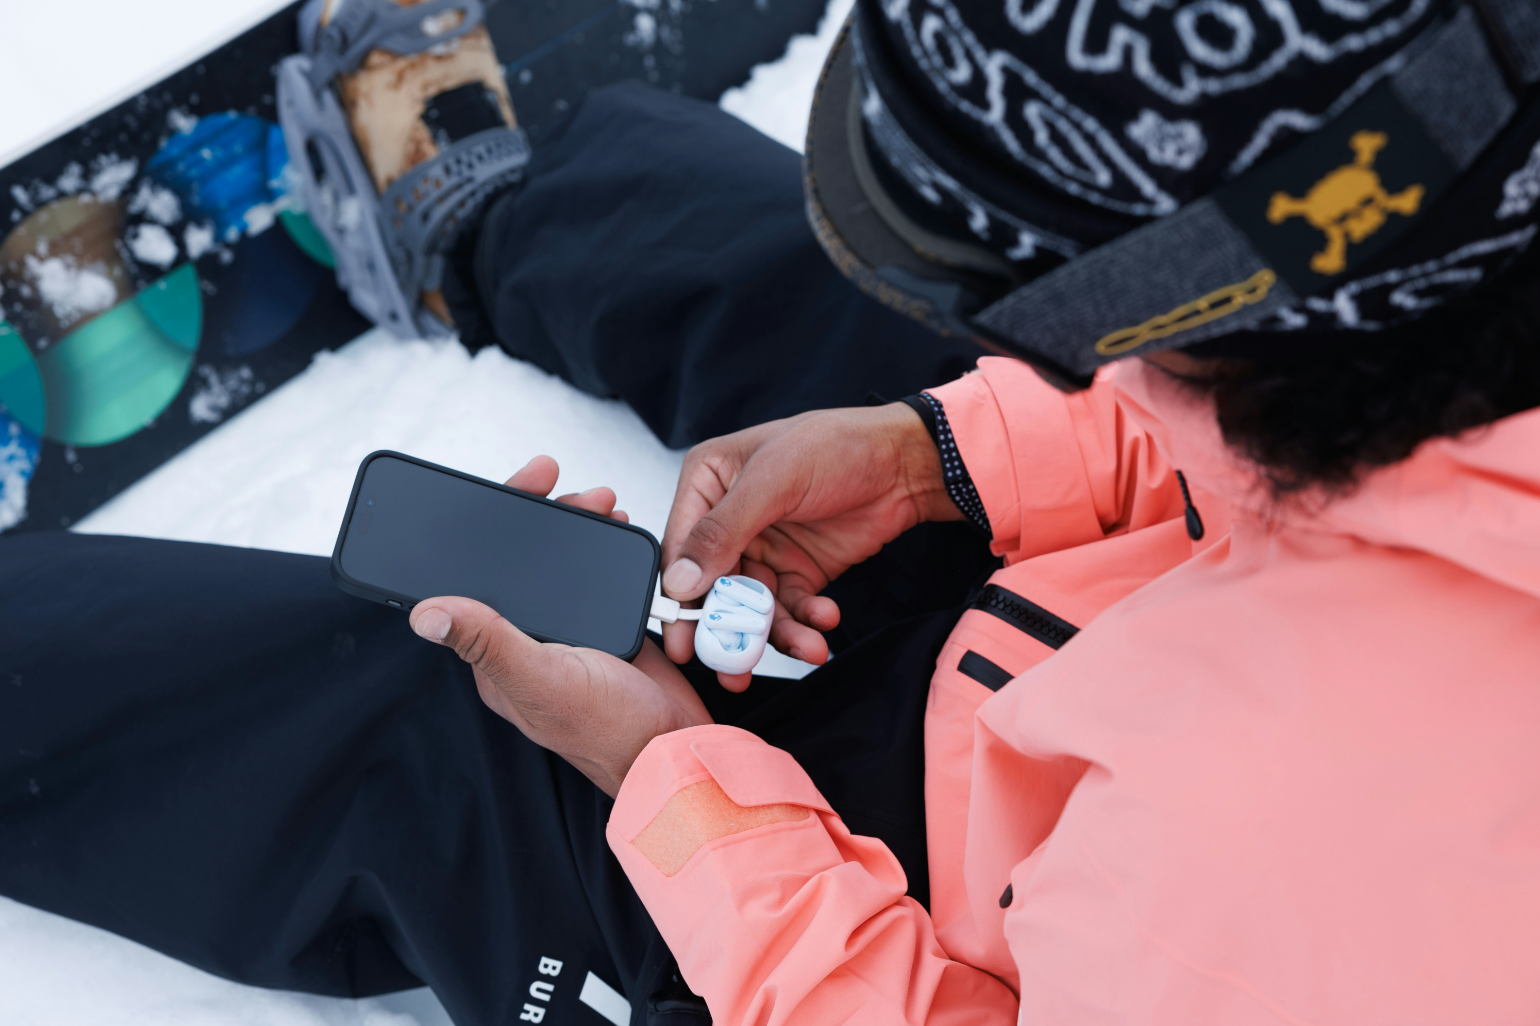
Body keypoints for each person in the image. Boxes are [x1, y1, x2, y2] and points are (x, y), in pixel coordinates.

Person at [6, 1, 1540, 1025]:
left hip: (896, 937)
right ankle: (484, 226)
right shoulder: (1448, 284)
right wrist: (942, 454)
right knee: (868, 323)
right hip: (1094, 644)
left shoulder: (1315, 885)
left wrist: (676, 781)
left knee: (445, 716)